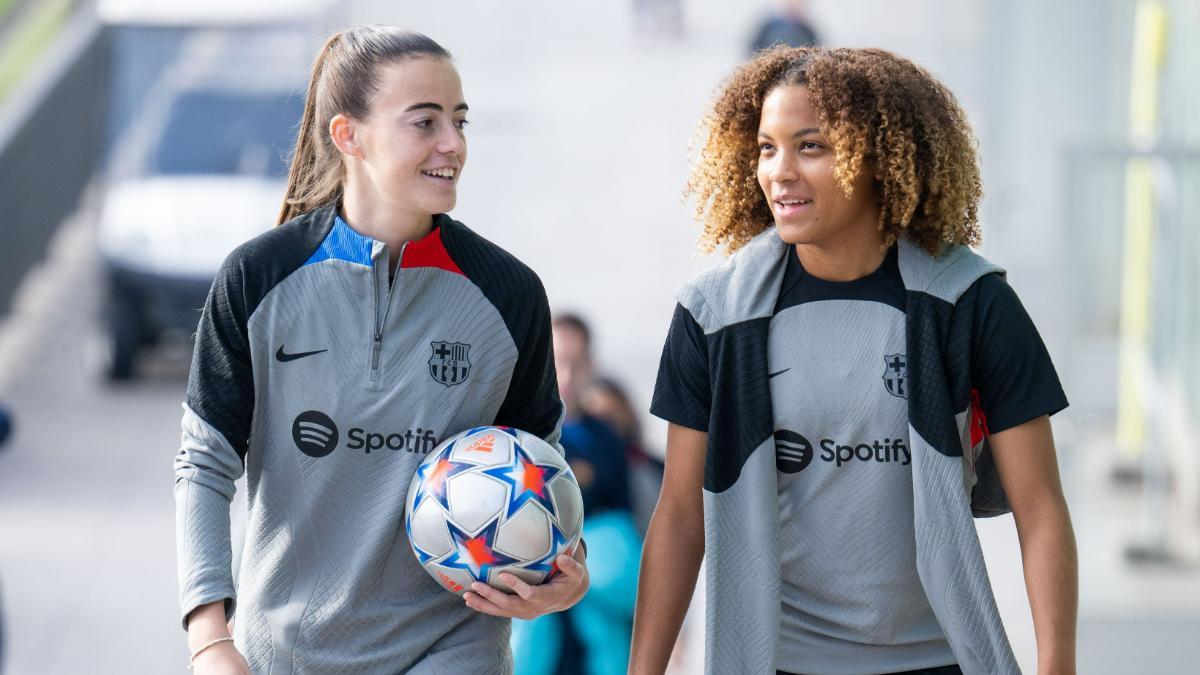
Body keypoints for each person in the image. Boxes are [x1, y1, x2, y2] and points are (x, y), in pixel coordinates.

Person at [631, 47, 1077, 675]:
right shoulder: (713, 315)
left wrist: (1058, 663)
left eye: (809, 146)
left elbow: (1041, 507)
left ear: (879, 157)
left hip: (938, 659)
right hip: (777, 661)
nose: (779, 172)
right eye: (766, 148)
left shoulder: (971, 302)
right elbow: (679, 516)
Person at [174, 26, 588, 675]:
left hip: (452, 648)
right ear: (349, 136)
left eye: (459, 120)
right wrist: (209, 637)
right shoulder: (258, 279)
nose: (453, 144)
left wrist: (565, 572)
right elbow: (204, 464)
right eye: (424, 122)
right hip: (280, 653)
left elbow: (544, 473)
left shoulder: (509, 293)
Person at [510, 314, 640, 675]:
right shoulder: (514, 436)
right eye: (556, 361)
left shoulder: (607, 440)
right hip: (527, 613)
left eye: (575, 363)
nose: (565, 375)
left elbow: (624, 528)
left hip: (596, 621)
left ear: (590, 366)